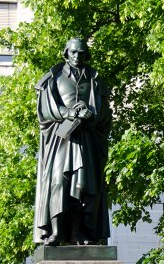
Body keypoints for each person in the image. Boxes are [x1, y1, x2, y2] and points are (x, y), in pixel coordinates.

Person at [34, 37, 112, 246]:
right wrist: (68, 112)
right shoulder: (53, 78)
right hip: (62, 139)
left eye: (82, 53)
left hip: (86, 140)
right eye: (74, 52)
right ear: (66, 53)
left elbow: (105, 115)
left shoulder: (95, 80)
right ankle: (57, 232)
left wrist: (91, 115)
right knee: (59, 183)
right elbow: (46, 109)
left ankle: (80, 233)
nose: (77, 56)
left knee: (84, 186)